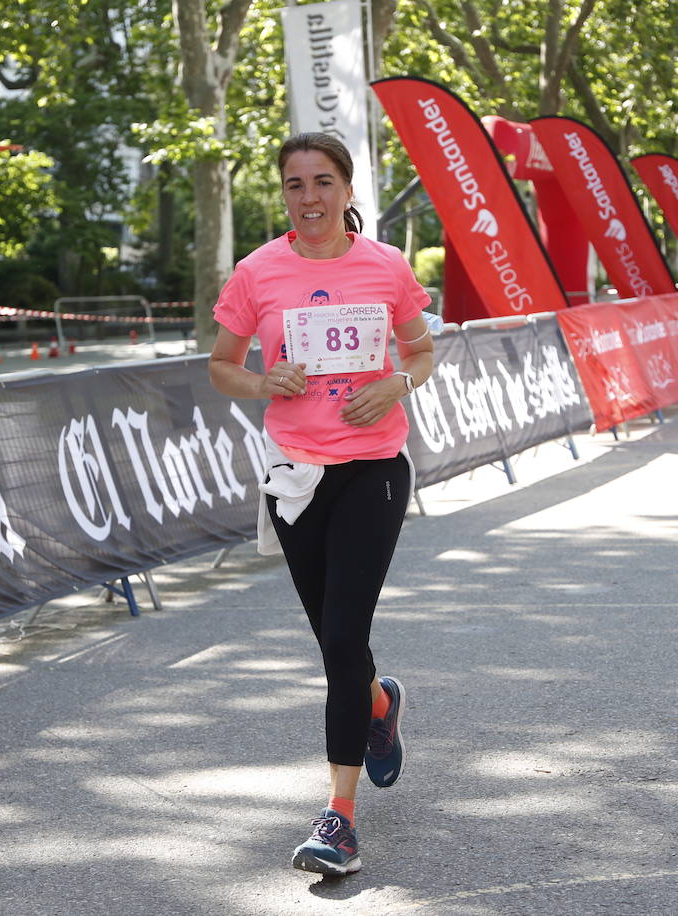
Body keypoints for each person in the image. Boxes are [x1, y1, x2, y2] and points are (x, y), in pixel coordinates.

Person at [208, 132, 434, 878]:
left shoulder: (386, 265)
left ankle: (339, 818)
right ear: (284, 194)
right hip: (296, 477)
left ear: (347, 189)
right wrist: (263, 383)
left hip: (374, 470)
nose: (309, 198)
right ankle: (376, 703)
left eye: (324, 182)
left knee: (342, 636)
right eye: (296, 184)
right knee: (336, 641)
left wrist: (395, 383)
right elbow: (221, 366)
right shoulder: (258, 272)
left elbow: (423, 351)